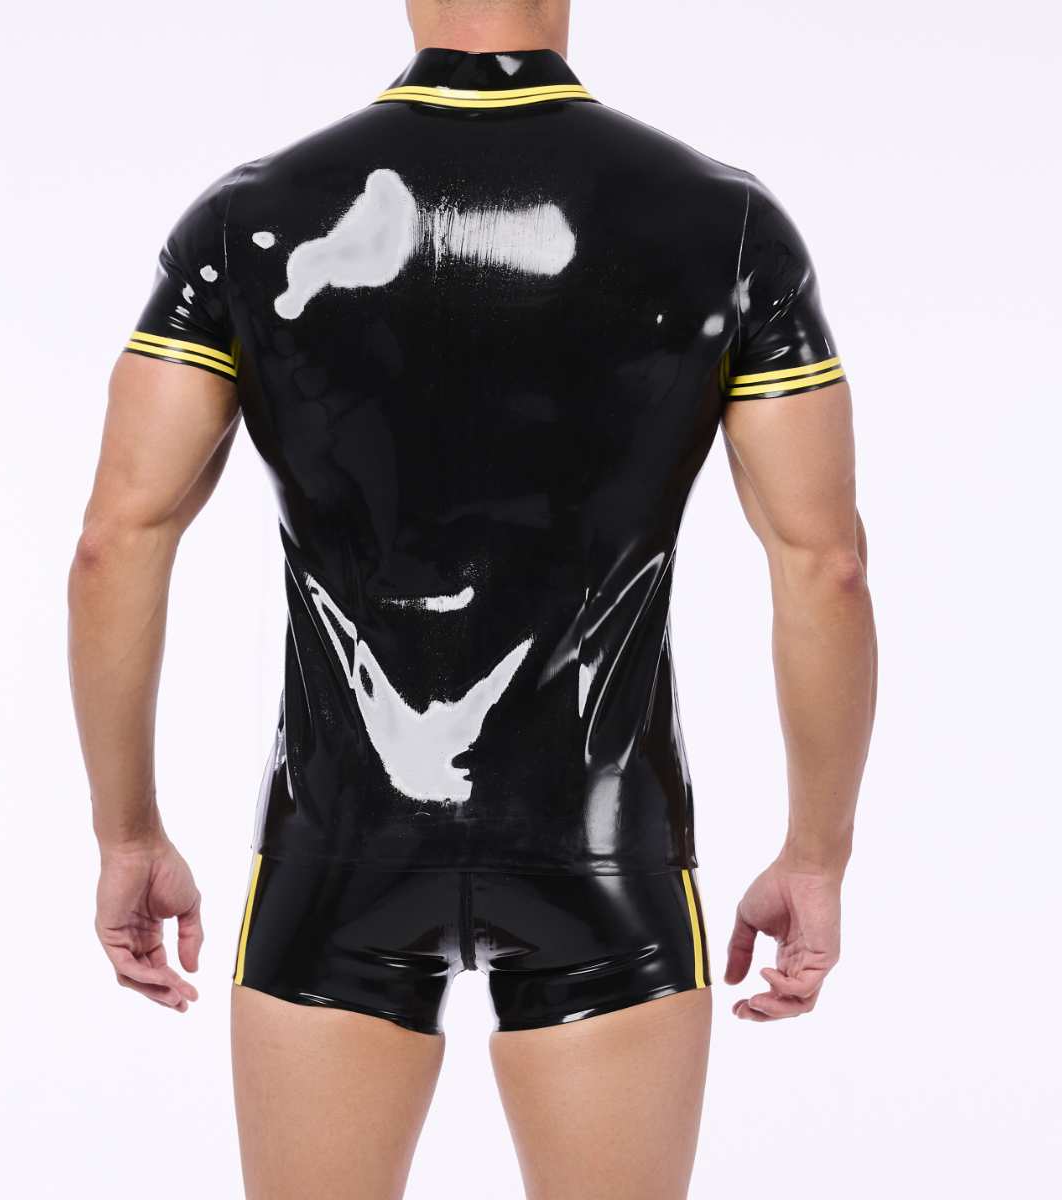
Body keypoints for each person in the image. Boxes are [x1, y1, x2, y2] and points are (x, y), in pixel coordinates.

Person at [68, 0, 877, 1195]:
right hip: (603, 843)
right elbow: (826, 564)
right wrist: (817, 857)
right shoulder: (721, 222)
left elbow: (115, 542)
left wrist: (127, 836)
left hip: (338, 844)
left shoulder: (250, 219)